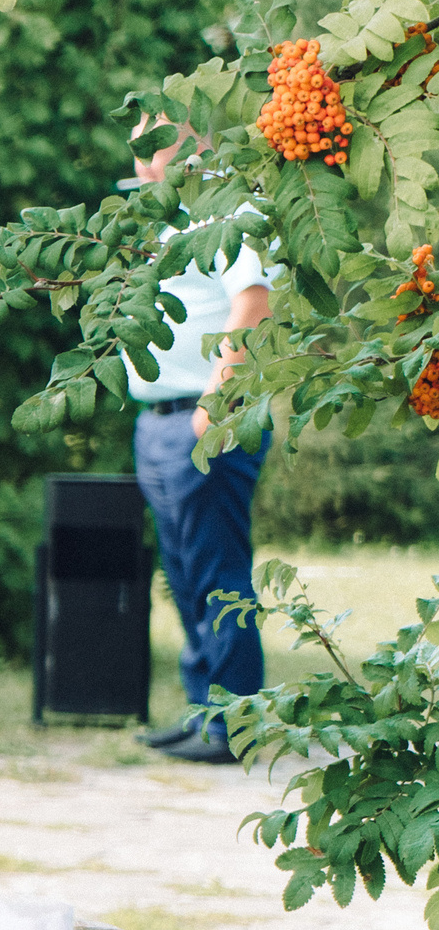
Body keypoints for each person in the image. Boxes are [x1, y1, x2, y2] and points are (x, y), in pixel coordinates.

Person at [128, 120, 275, 763]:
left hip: (206, 418)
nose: (140, 163)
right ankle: (204, 712)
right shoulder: (161, 225)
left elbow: (253, 304)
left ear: (193, 146)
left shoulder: (230, 214)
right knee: (182, 572)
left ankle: (236, 726)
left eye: (150, 148)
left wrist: (217, 406)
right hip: (158, 418)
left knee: (217, 570)